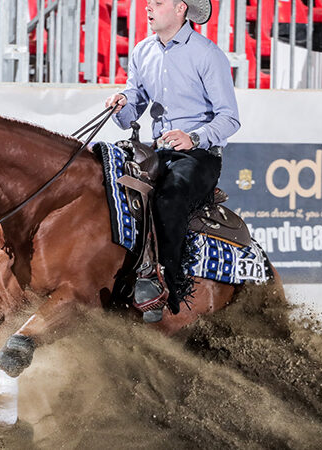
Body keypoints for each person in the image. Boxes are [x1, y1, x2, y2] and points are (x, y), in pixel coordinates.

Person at [105, 0, 240, 322]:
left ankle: (167, 283)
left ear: (181, 8)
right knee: (105, 185)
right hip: (156, 150)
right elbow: (134, 103)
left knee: (169, 198)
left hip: (199, 155)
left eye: (158, 3)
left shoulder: (207, 54)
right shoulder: (142, 51)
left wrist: (193, 137)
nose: (148, 8)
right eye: (148, 3)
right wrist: (121, 103)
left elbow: (230, 118)